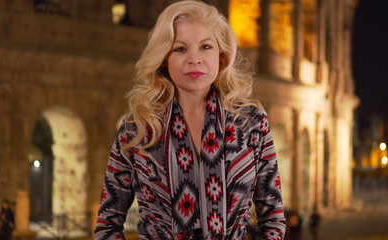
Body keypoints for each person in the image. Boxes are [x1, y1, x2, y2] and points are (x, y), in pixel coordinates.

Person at [94, 1, 286, 239]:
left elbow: (273, 219)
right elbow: (107, 225)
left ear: (222, 55)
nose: (195, 59)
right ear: (163, 57)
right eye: (180, 49)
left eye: (206, 47)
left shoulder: (251, 123)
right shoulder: (138, 128)